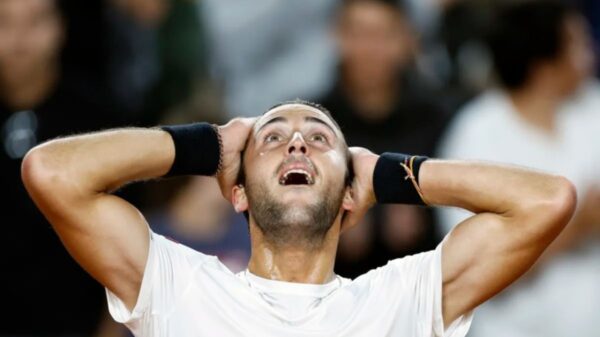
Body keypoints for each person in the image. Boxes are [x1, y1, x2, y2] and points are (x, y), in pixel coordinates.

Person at [21, 100, 576, 336]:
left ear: (350, 196)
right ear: (237, 193)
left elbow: (546, 201)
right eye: (272, 137)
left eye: (318, 139)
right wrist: (208, 146)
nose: (296, 145)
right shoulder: (177, 287)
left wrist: (386, 175)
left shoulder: (402, 298)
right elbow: (51, 172)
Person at [436, 2, 600, 336]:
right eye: (578, 44)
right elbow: (474, 270)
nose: (591, 52)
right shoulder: (477, 136)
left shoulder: (594, 107)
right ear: (544, 67)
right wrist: (577, 223)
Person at [0, 0, 119, 334]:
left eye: (35, 21)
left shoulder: (100, 122)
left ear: (60, 27)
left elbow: (133, 233)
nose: (20, 39)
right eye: (5, 22)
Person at [317, 0, 446, 277]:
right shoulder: (310, 121)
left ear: (407, 40)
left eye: (383, 35)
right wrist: (329, 225)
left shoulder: (440, 118)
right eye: (359, 34)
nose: (370, 49)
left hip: (426, 287)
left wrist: (427, 209)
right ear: (336, 37)